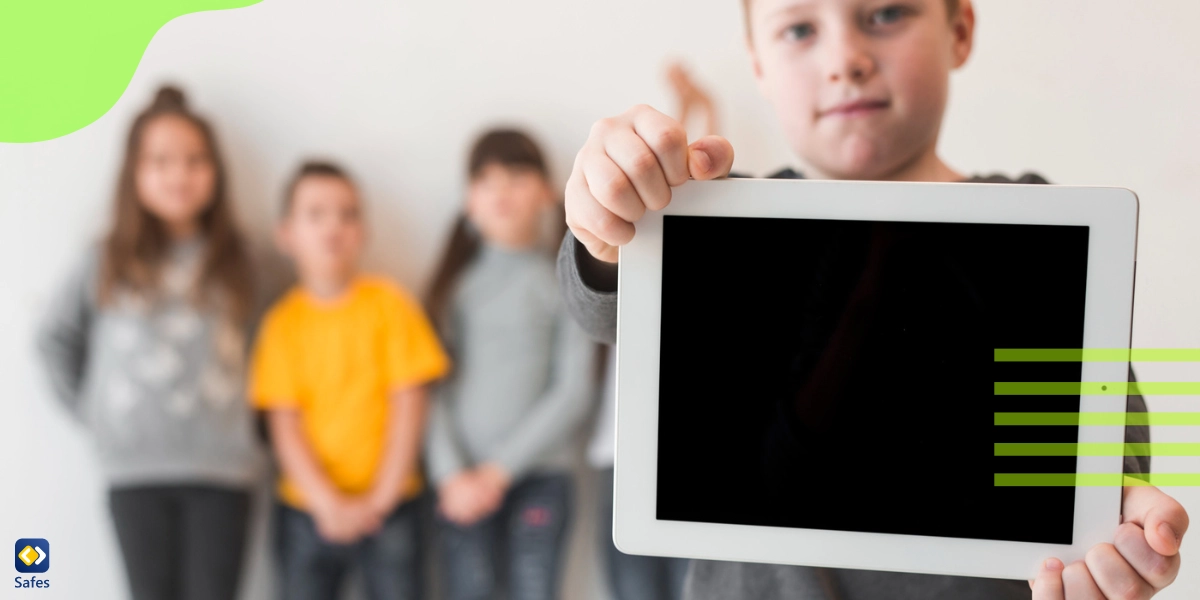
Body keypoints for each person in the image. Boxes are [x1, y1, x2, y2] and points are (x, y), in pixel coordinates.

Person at [555, 1, 1189, 599]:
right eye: (800, 29)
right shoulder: (718, 225)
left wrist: (1119, 518)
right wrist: (605, 229)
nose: (845, 59)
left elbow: (1104, 441)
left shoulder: (1041, 240)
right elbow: (602, 307)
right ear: (758, 65)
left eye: (885, 13)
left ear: (960, 29)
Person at [36, 85, 264, 600]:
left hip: (223, 468)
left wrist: (266, 427)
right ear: (134, 174)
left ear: (216, 172)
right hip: (134, 469)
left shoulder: (247, 262)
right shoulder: (104, 259)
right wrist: (94, 414)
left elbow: (282, 344)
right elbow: (54, 339)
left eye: (194, 160)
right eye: (160, 161)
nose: (178, 175)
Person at [248, 161, 450, 600]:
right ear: (286, 234)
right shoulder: (282, 325)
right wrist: (329, 504)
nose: (334, 226)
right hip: (306, 510)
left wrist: (379, 499)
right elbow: (285, 427)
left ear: (363, 231)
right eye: (316, 214)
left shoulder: (391, 306)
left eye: (348, 214)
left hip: (393, 506)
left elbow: (409, 407)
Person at [423, 129, 596, 600]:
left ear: (545, 191)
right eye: (486, 179)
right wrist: (451, 475)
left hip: (540, 478)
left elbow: (574, 391)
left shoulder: (565, 282)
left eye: (517, 176)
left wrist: (498, 472)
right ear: (468, 200)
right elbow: (430, 388)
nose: (500, 190)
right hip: (460, 485)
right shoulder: (452, 290)